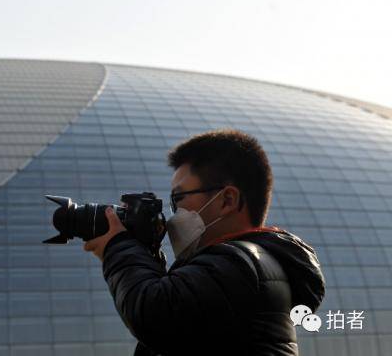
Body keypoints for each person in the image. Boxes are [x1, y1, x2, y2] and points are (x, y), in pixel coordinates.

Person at [83, 128, 326, 356]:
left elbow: (155, 315)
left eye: (178, 198)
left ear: (227, 200)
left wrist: (117, 247)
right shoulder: (247, 264)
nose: (173, 213)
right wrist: (146, 257)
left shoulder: (242, 262)